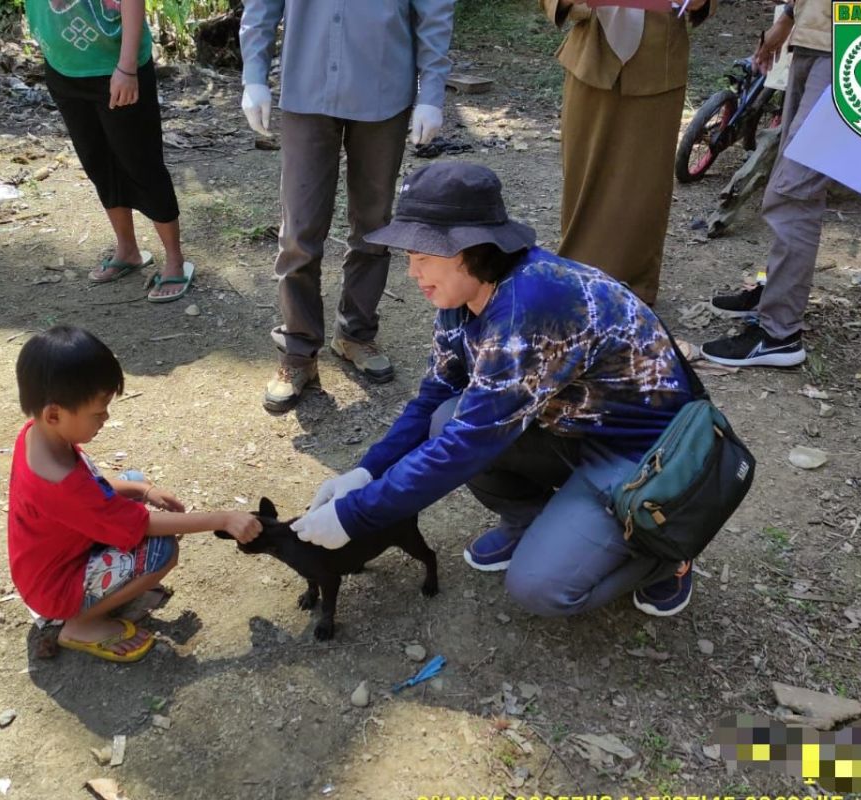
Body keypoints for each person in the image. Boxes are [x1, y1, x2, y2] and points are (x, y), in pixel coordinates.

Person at [289, 163, 700, 617]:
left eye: (424, 256)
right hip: (572, 427)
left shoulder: (530, 308)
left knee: (539, 588)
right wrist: (366, 472)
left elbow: (469, 443)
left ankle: (663, 554)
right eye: (410, 257)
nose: (413, 273)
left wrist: (357, 515)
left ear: (471, 249)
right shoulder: (464, 296)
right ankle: (538, 521)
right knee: (444, 415)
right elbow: (435, 395)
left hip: (643, 458)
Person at [239, 0, 456, 413]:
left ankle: (355, 333)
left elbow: (434, 13)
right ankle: (298, 352)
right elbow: (261, 8)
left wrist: (432, 93)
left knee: (374, 225)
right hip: (306, 90)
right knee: (299, 231)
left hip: (383, 92)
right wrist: (254, 77)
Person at [0, 0, 194, 301]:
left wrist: (127, 67)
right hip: (64, 68)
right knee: (98, 163)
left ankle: (174, 260)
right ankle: (127, 250)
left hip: (116, 63)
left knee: (140, 162)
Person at [8, 326, 261, 662]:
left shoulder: (35, 436)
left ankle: (105, 594)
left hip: (46, 562)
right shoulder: (64, 486)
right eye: (98, 413)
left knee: (132, 481)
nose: (106, 418)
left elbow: (94, 487)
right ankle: (81, 624)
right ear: (54, 414)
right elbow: (141, 525)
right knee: (162, 551)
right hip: (55, 589)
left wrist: (144, 489)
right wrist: (224, 519)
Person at [539, 0, 716, 305]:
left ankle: (633, 289)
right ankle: (578, 282)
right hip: (592, 57)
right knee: (585, 177)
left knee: (644, 183)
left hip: (658, 63)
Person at [700, 0, 829, 367]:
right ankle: (776, 293)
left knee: (795, 191)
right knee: (789, 181)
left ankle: (779, 333)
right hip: (816, 36)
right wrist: (789, 17)